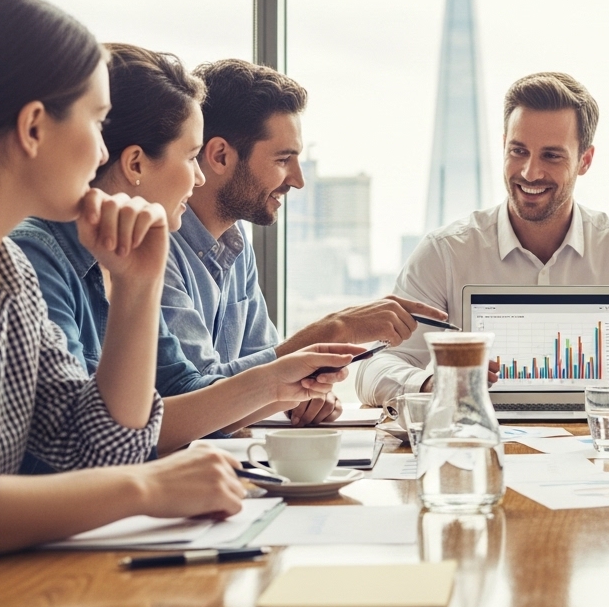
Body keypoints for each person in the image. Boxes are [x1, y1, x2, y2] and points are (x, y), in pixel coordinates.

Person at [0, 0, 336, 572]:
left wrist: (137, 288)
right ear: (33, 127)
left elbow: (98, 448)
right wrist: (147, 489)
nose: (105, 147)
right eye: (98, 120)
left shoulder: (7, 275)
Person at [11, 44, 369, 453]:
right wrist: (281, 373)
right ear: (135, 165)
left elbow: (178, 389)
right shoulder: (36, 257)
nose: (198, 179)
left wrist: (283, 380)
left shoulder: (130, 255)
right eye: (191, 157)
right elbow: (86, 445)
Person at [354, 71, 609, 409]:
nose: (530, 172)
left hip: (600, 450)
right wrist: (436, 383)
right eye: (518, 151)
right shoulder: (446, 253)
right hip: (481, 444)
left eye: (551, 156)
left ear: (585, 160)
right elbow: (375, 369)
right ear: (503, 146)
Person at [167, 58, 443, 425]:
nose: (298, 180)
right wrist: (334, 331)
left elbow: (260, 374)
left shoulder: (236, 245)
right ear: (220, 156)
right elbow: (197, 401)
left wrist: (297, 395)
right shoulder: (158, 250)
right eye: (284, 160)